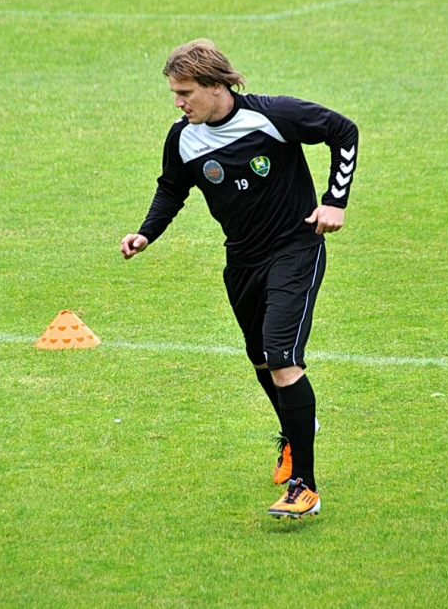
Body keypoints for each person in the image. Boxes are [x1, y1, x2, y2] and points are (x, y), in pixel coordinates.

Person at [121, 39, 358, 520]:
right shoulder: (183, 138)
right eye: (174, 91)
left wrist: (335, 201)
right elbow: (172, 189)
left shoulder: (273, 116)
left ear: (216, 86)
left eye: (185, 91)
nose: (178, 101)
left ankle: (304, 488)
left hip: (296, 248)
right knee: (261, 361)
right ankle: (295, 433)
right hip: (242, 262)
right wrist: (146, 234)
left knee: (282, 356)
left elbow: (343, 131)